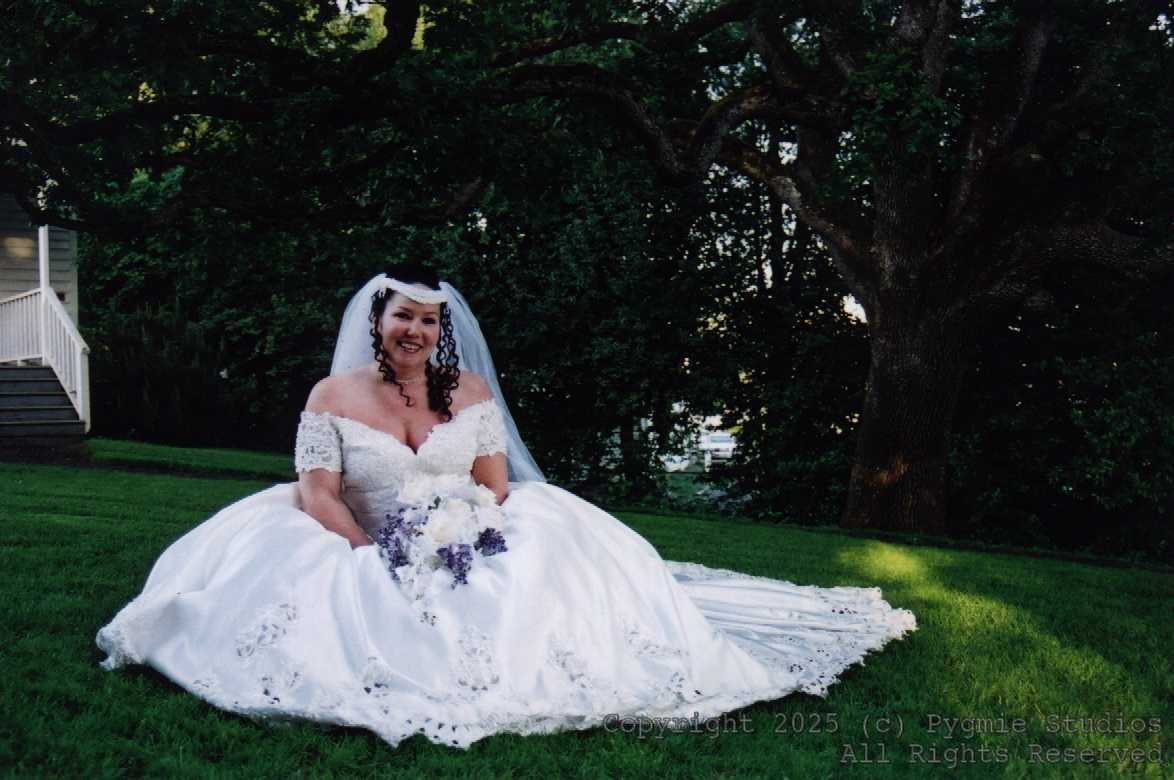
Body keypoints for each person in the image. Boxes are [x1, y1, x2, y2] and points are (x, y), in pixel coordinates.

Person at [97, 265, 915, 749]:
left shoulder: (469, 391)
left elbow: (496, 482)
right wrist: (365, 553)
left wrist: (463, 525)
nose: (415, 331)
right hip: (359, 532)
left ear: (440, 330)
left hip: (461, 531)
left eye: (428, 321)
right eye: (402, 316)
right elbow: (317, 490)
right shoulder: (332, 394)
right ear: (377, 321)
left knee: (547, 545)